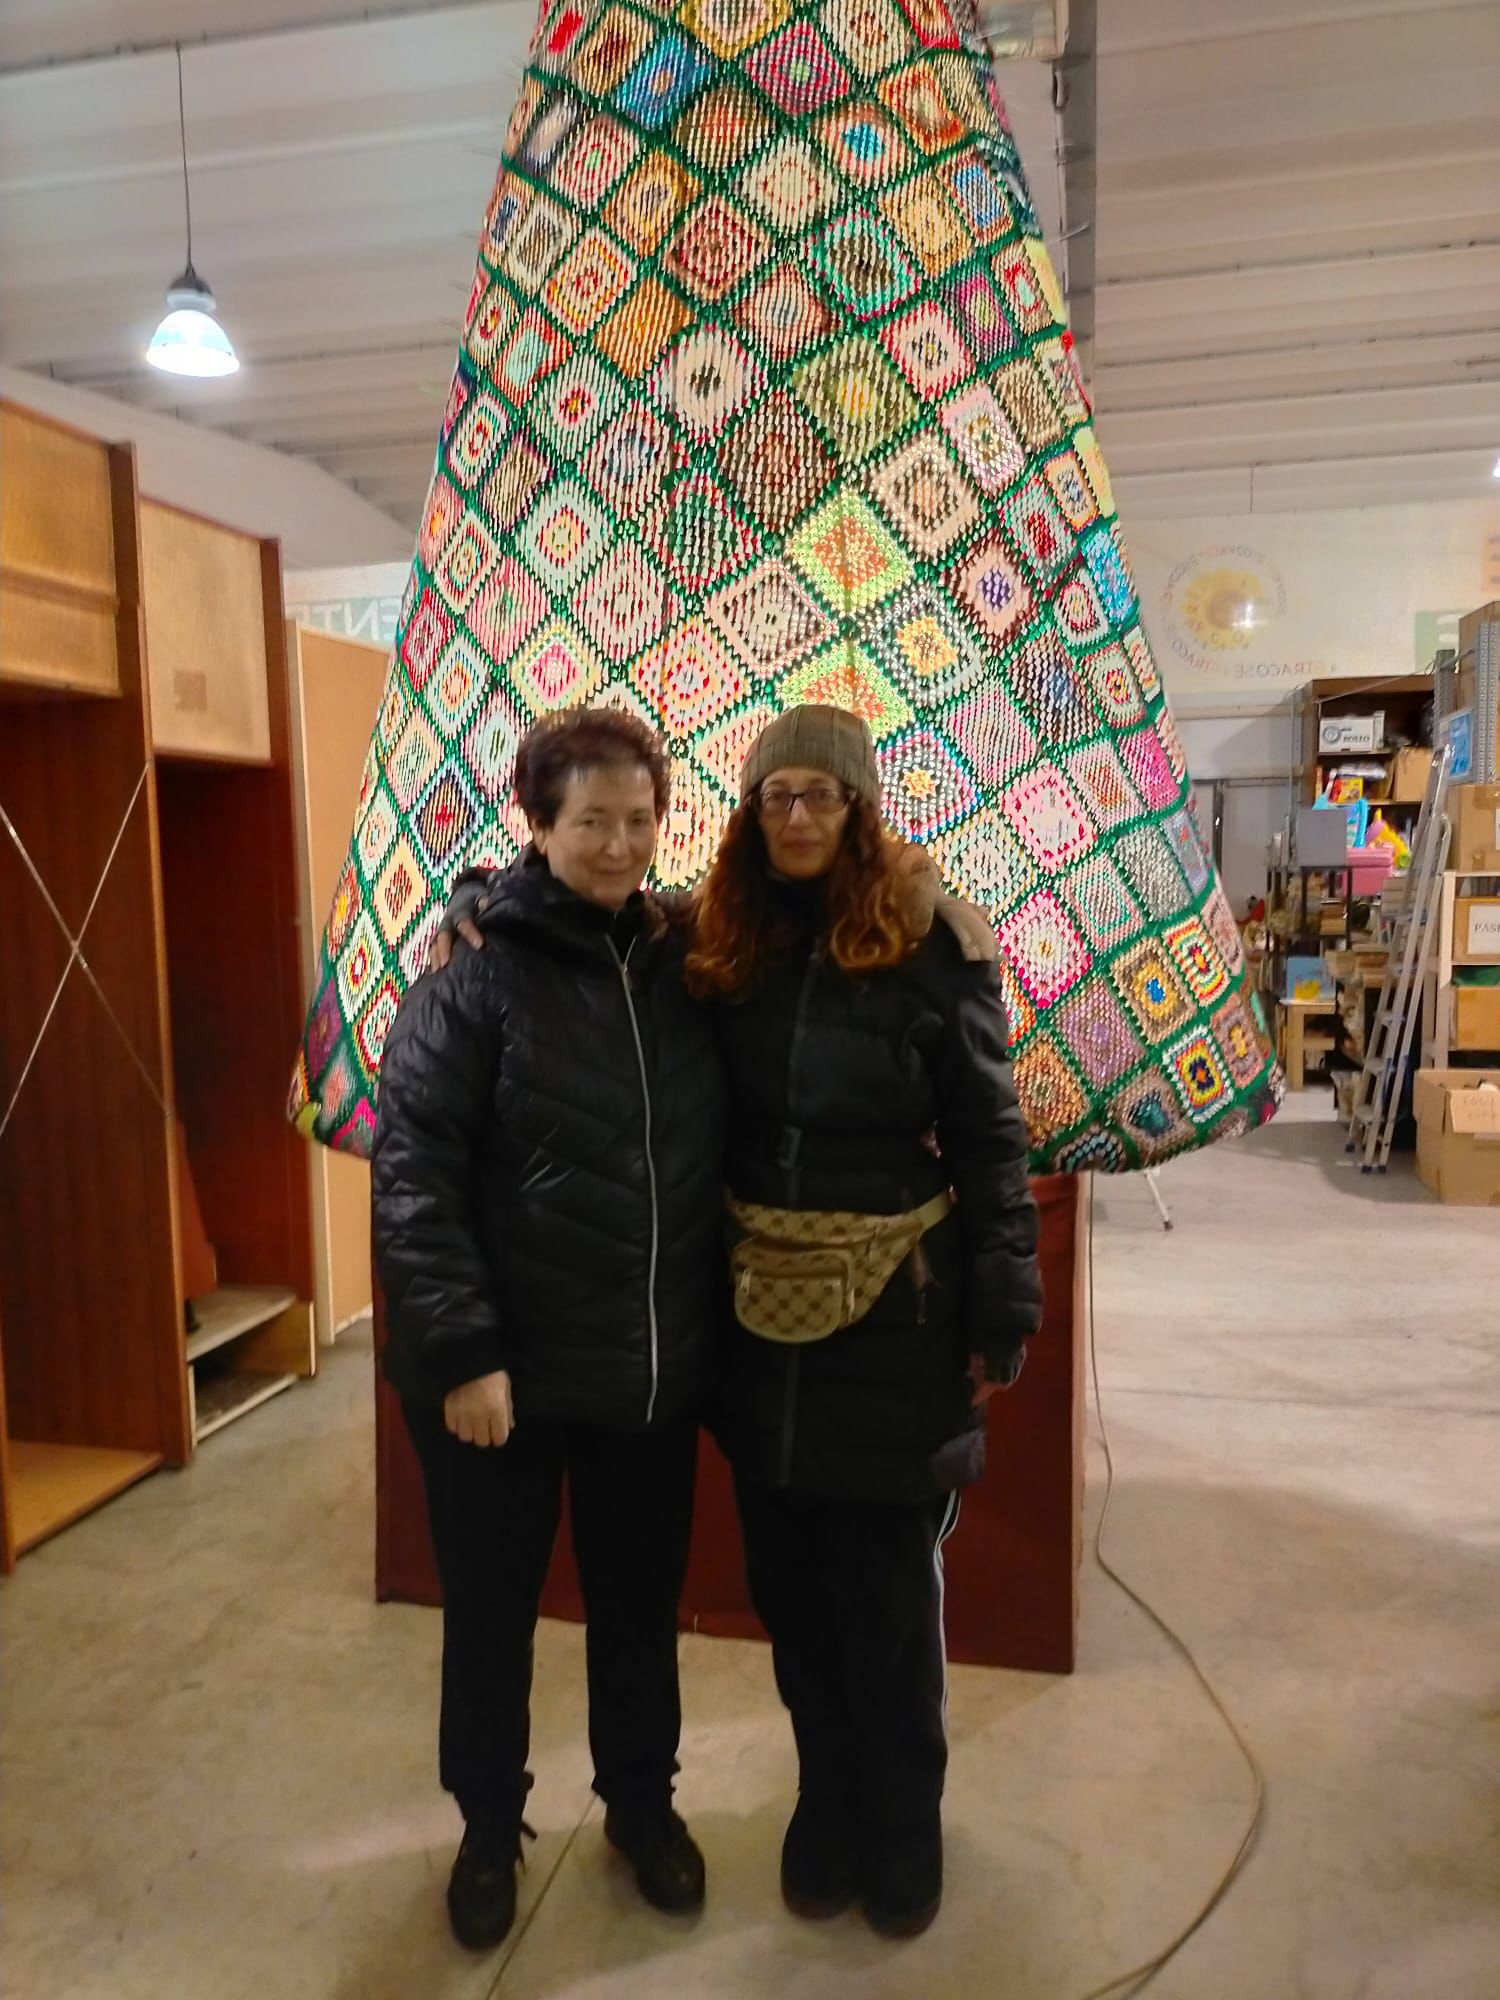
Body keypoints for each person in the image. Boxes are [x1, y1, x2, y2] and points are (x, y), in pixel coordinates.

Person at [685, 705, 1043, 1939]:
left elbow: (991, 1138)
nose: (797, 816)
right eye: (776, 795)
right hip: (758, 1319)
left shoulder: (933, 946)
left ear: (859, 808)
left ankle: (904, 1820)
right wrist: (477, 903)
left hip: (898, 1314)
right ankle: (826, 1802)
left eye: (820, 795)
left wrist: (1003, 1301)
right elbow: (590, 915)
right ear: (751, 812)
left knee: (887, 1602)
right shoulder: (719, 941)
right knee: (791, 1594)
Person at [371, 707, 725, 1951]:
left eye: (639, 818)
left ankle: (642, 1804)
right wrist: (464, 1352)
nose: (619, 843)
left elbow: (822, 916)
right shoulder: (472, 973)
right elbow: (412, 1174)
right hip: (501, 1380)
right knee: (491, 1614)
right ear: (536, 823)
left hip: (643, 1363)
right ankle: (486, 1825)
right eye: (591, 820)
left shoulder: (687, 960)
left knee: (638, 1606)